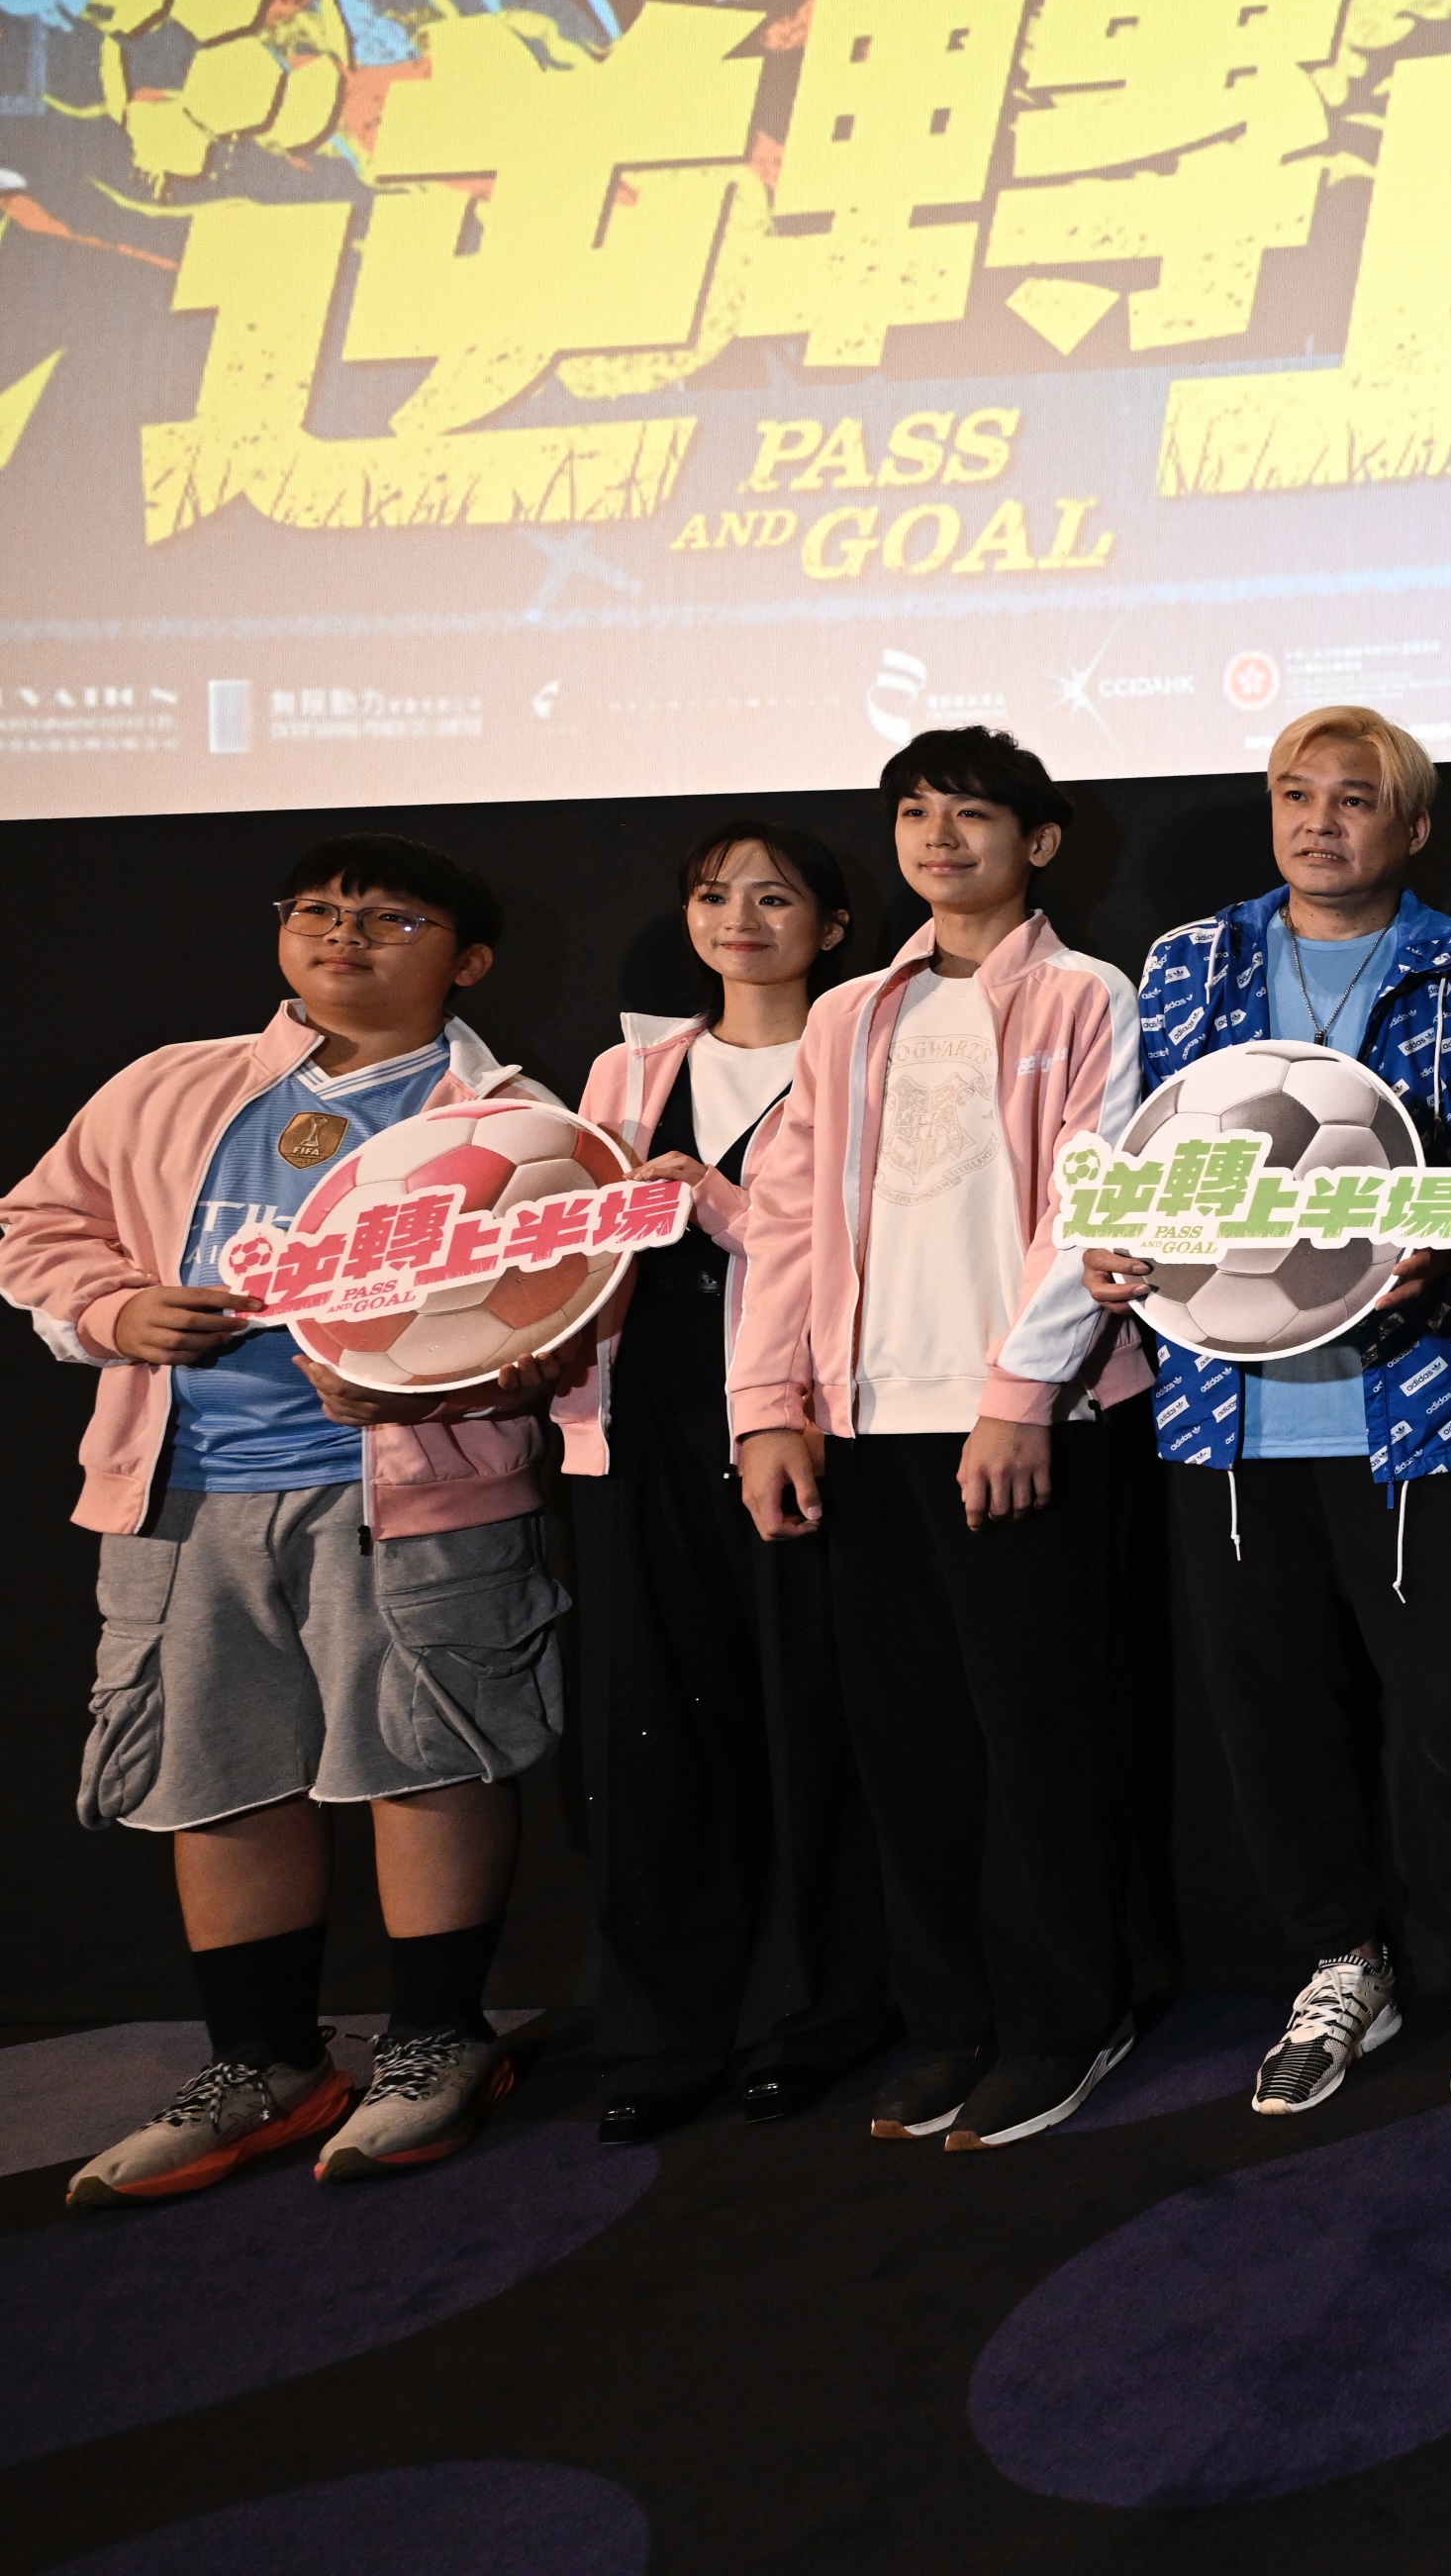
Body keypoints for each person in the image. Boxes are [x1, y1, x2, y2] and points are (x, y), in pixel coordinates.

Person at [8, 837, 573, 2203]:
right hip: (182, 1490)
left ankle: (438, 2040)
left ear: (468, 960)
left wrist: (430, 1378)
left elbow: (566, 1319)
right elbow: (37, 1224)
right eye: (317, 911)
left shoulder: (512, 1118)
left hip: (410, 1491)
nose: (342, 936)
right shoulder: (170, 1084)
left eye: (388, 919)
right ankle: (262, 2062)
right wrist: (113, 1311)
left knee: (426, 1754)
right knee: (215, 1769)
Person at [1084, 708, 1451, 2115]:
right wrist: (1110, 1242)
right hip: (1225, 1413)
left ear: (1412, 827)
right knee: (1270, 1713)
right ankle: (1343, 1960)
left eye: (1355, 799)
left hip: (1418, 1404)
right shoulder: (1191, 962)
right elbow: (1131, 1155)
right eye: (1297, 794)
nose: (1320, 821)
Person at [730, 727, 1155, 2153]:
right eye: (915, 813)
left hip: (1027, 1420)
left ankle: (1063, 2021)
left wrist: (1020, 1396)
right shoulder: (850, 1014)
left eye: (971, 814)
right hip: (870, 1423)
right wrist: (770, 1409)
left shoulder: (1088, 995)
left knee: (1037, 1738)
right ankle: (954, 2021)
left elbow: (1096, 1204)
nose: (939, 837)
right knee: (909, 1742)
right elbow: (784, 1221)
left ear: (1038, 843)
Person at [553, 821, 888, 2142]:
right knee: (653, 1731)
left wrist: (717, 1202)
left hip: (806, 1418)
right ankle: (659, 2031)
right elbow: (569, 1242)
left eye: (773, 897)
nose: (738, 919)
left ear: (834, 927)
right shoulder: (629, 1068)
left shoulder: (861, 1055)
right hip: (641, 1417)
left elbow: (860, 1243)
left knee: (811, 1718)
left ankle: (814, 2016)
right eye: (712, 895)